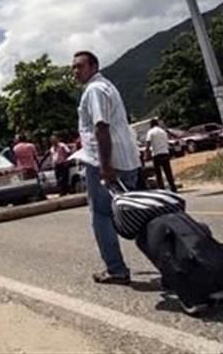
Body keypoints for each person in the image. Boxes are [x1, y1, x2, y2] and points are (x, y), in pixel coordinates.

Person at [72, 50, 142, 286]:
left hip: (106, 162)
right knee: (135, 213)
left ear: (93, 67)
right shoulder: (108, 86)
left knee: (101, 216)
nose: (75, 72)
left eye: (80, 66)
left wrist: (105, 166)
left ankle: (116, 269)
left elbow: (101, 128)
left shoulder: (94, 90)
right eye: (73, 67)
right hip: (128, 160)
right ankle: (169, 262)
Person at [146, 119, 177, 192]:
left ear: (151, 125)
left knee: (158, 173)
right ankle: (173, 186)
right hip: (165, 153)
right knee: (168, 172)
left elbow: (148, 143)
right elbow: (166, 141)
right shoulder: (163, 131)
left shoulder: (150, 132)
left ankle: (161, 188)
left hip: (156, 154)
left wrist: (147, 153)